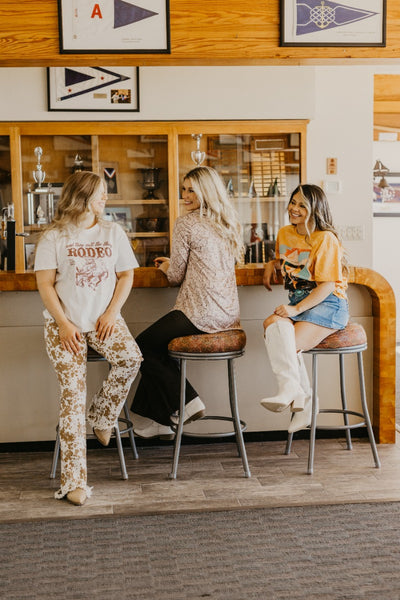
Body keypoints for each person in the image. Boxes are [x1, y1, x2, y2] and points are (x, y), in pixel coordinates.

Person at [34, 171, 142, 506]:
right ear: (82, 198)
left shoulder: (113, 232)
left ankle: (103, 416)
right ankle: (74, 483)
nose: (106, 199)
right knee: (72, 397)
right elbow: (45, 284)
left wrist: (111, 313)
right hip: (63, 326)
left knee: (130, 359)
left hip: (103, 322)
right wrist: (65, 325)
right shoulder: (54, 236)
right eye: (100, 193)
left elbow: (126, 275)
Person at [131, 166, 243, 439]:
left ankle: (187, 401)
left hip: (199, 312)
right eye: (184, 189)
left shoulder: (186, 223)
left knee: (139, 346)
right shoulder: (227, 222)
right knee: (158, 348)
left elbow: (175, 276)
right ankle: (158, 420)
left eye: (192, 189)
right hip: (228, 314)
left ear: (207, 191)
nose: (185, 195)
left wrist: (167, 265)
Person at [260, 184, 349, 433]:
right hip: (300, 300)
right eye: (292, 202)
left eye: (301, 205)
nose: (293, 209)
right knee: (271, 325)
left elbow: (328, 286)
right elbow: (286, 260)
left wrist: (294, 309)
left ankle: (296, 394)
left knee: (288, 341)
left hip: (329, 303)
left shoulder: (325, 239)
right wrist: (271, 264)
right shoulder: (285, 233)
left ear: (315, 210)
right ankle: (302, 396)